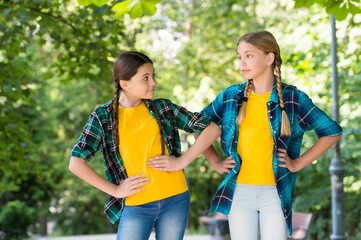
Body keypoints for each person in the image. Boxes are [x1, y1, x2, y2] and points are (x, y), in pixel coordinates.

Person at [198, 30, 342, 239]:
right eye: (240, 57)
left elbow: (332, 132)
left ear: (269, 58)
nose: (242, 63)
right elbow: (200, 126)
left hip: (276, 192)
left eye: (249, 55)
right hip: (239, 191)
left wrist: (298, 163)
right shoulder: (231, 96)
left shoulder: (293, 98)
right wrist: (215, 162)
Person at [69, 51, 222, 240]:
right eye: (146, 78)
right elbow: (76, 162)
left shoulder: (163, 108)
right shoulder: (103, 117)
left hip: (176, 198)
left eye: (153, 76)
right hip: (136, 205)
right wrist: (115, 190)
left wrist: (181, 162)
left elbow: (212, 129)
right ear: (125, 84)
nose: (154, 83)